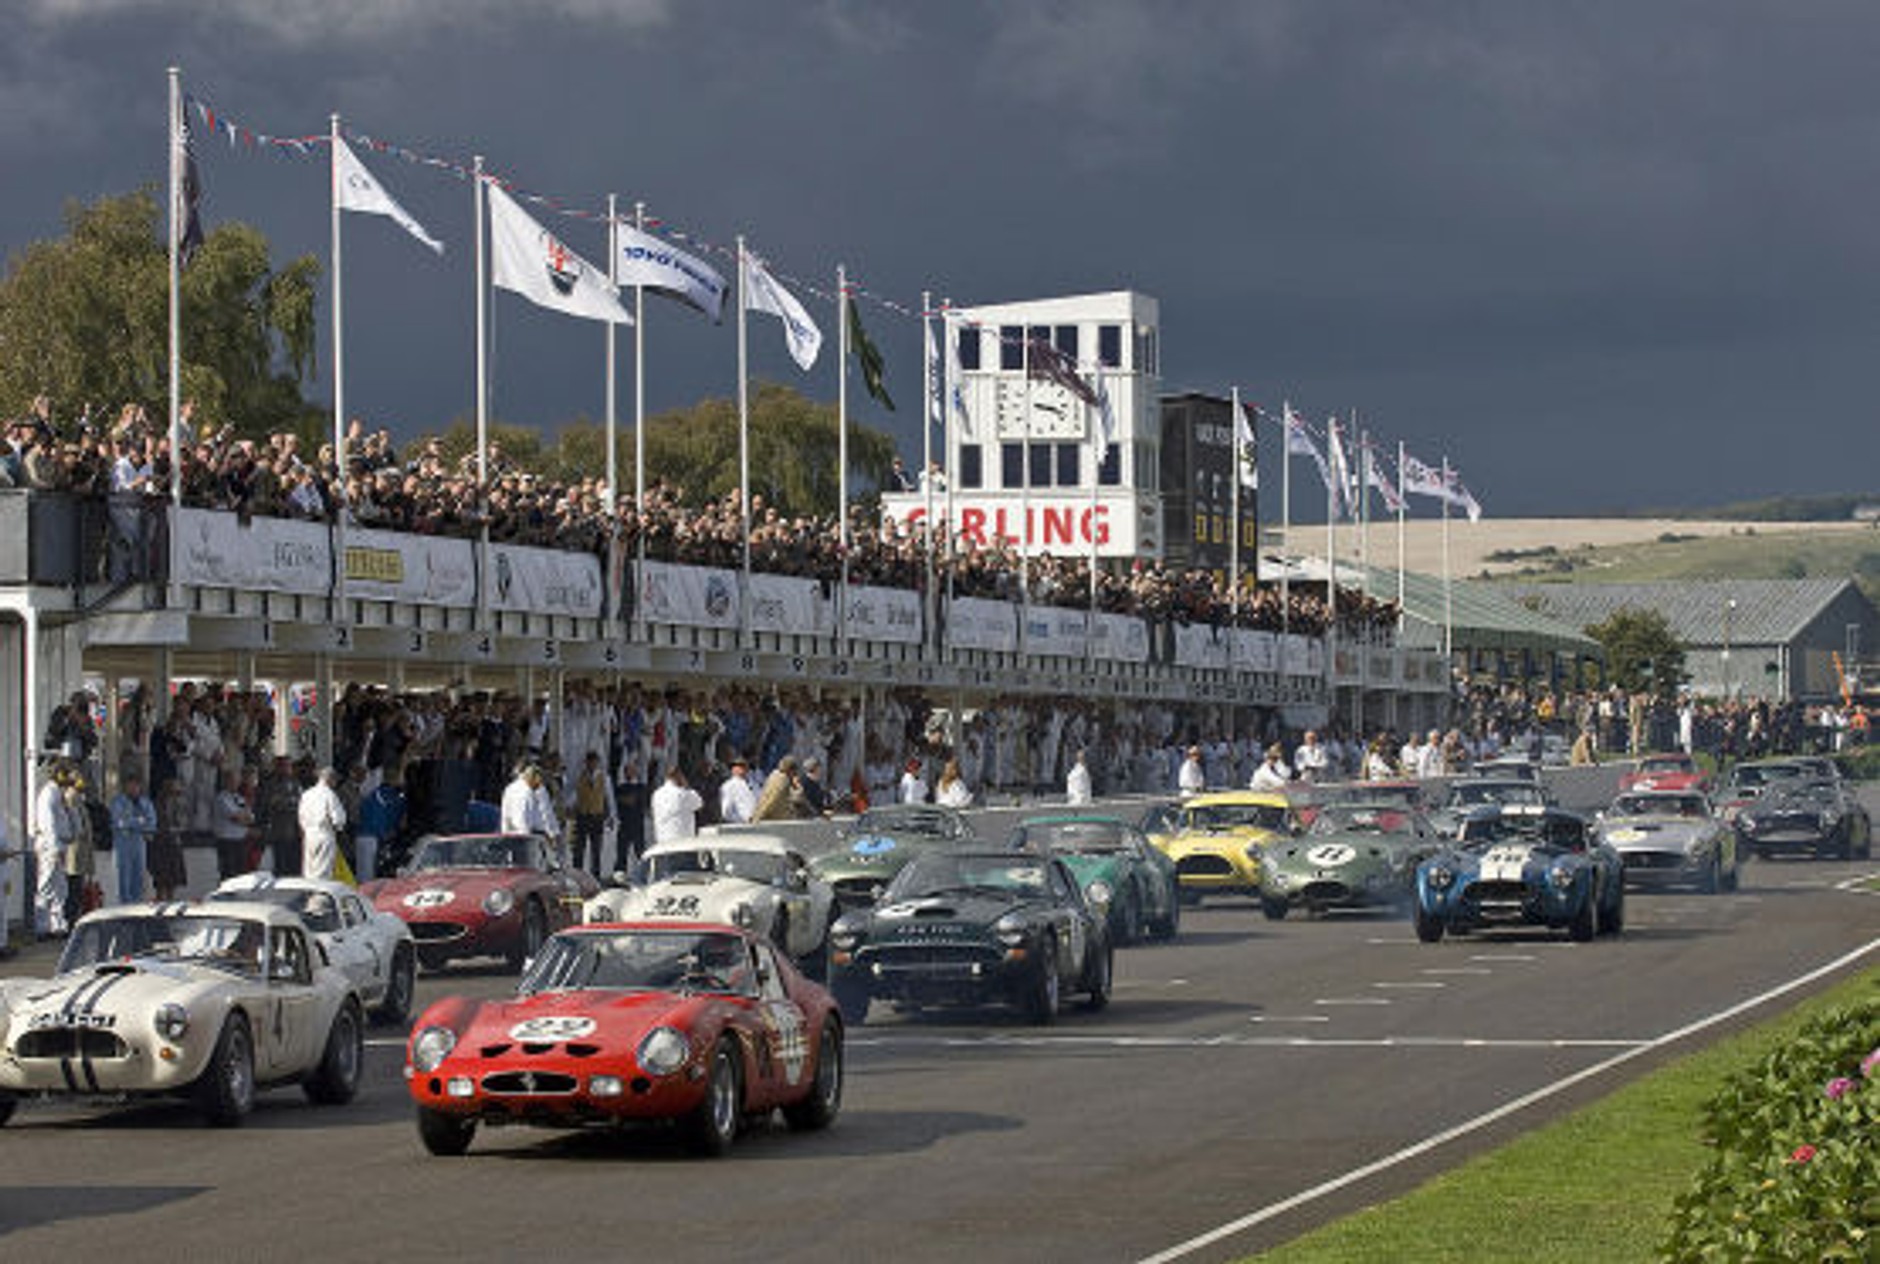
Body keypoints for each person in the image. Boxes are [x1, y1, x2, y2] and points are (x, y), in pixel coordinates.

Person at [33, 763, 76, 939]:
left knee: (60, 888)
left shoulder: (59, 794)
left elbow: (66, 818)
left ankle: (57, 925)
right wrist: (55, 847)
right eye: (66, 775)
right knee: (46, 886)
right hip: (50, 846)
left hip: (61, 844)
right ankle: (41, 927)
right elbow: (48, 823)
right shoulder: (48, 794)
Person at [109, 773, 158, 906]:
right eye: (131, 785)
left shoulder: (145, 803)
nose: (134, 788)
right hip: (123, 845)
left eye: (137, 786)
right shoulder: (118, 802)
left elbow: (151, 823)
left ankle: (136, 905)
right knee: (124, 878)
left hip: (139, 844)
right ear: (125, 786)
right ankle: (124, 906)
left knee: (138, 878)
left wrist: (134, 824)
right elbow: (118, 822)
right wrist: (138, 822)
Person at [567, 751, 614, 875]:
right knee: (578, 849)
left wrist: (612, 816)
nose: (592, 765)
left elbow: (609, 797)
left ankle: (595, 875)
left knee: (596, 850)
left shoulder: (604, 778)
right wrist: (569, 806)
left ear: (597, 763)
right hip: (582, 816)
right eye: (590, 762)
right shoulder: (579, 776)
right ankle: (577, 875)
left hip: (597, 816)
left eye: (594, 762)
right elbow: (574, 794)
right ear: (586, 763)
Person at [356, 769, 407, 882]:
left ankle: (361, 892)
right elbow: (398, 818)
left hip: (361, 835)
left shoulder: (369, 796)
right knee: (371, 871)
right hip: (374, 837)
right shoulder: (395, 798)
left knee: (362, 871)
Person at [298, 766, 347, 882]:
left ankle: (309, 894)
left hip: (309, 835)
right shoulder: (329, 794)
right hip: (324, 833)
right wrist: (339, 829)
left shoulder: (306, 794)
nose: (335, 783)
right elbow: (338, 819)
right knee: (323, 871)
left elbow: (301, 817)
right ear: (330, 779)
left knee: (309, 871)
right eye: (335, 779)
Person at [212, 770, 255, 881]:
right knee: (228, 873)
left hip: (240, 840)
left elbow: (251, 818)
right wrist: (242, 818)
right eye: (232, 780)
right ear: (225, 781)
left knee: (240, 874)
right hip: (226, 841)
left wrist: (243, 818)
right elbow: (235, 818)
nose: (235, 783)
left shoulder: (239, 798)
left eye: (236, 781)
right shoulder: (221, 798)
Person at [500, 763, 561, 840]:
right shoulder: (522, 792)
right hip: (528, 836)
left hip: (532, 835)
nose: (539, 779)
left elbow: (547, 812)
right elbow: (513, 817)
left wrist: (554, 833)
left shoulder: (539, 789)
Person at [650, 767, 703, 846]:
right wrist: (686, 786)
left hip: (662, 843)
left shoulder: (656, 795)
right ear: (679, 776)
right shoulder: (683, 794)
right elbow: (699, 803)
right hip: (681, 843)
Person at [750, 755, 800, 823]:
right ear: (790, 770)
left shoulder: (774, 775)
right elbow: (772, 799)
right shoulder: (782, 780)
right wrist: (758, 817)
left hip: (774, 818)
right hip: (778, 819)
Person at [718, 756, 757, 824]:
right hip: (739, 825)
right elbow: (726, 811)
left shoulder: (754, 784)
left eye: (744, 766)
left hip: (755, 822)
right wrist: (741, 820)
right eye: (739, 766)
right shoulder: (728, 786)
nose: (742, 769)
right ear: (732, 769)